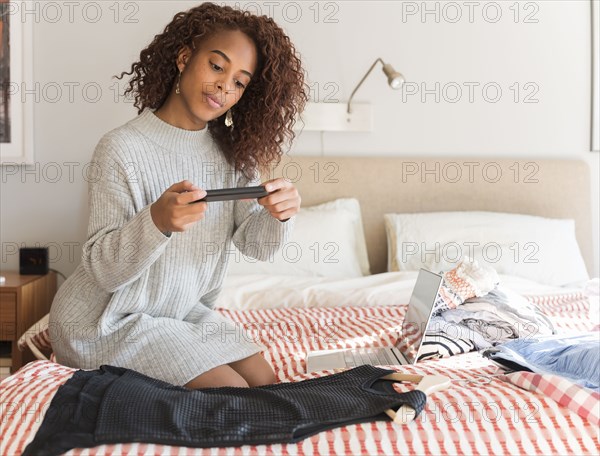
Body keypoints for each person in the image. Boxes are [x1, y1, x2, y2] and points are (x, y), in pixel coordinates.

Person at [48, 2, 308, 389]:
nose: (224, 86)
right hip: (105, 321)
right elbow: (101, 269)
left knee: (267, 383)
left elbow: (256, 246)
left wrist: (278, 215)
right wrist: (155, 222)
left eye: (240, 81)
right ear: (185, 58)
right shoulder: (120, 148)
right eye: (217, 66)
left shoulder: (232, 153)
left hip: (180, 312)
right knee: (233, 392)